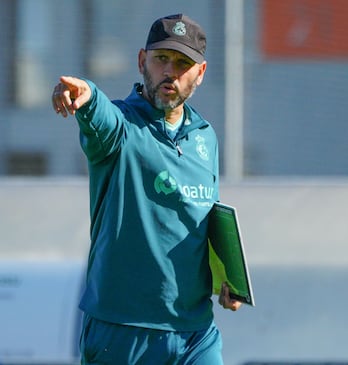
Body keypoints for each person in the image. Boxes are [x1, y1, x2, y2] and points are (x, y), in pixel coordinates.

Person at [52, 14, 241, 365]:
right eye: (161, 59)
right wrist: (87, 95)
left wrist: (224, 277)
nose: (170, 70)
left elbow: (201, 219)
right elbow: (100, 117)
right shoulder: (121, 127)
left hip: (195, 332)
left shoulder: (206, 137)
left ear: (200, 73)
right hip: (122, 330)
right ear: (143, 61)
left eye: (183, 63)